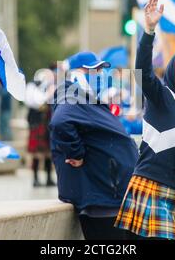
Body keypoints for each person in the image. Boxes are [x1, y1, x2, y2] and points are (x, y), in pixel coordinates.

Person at [114, 0, 175, 240]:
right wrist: (149, 31)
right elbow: (143, 73)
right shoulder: (162, 95)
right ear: (172, 72)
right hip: (154, 190)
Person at [49, 51, 139, 240]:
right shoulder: (70, 94)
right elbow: (60, 122)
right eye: (94, 70)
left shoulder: (85, 97)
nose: (99, 74)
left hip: (108, 193)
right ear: (77, 72)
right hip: (101, 197)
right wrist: (77, 154)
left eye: (99, 70)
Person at [25, 67, 56, 187]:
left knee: (48, 151)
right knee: (36, 152)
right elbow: (35, 102)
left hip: (48, 123)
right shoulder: (32, 86)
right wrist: (48, 94)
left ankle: (49, 178)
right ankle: (35, 178)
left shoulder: (51, 87)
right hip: (37, 122)